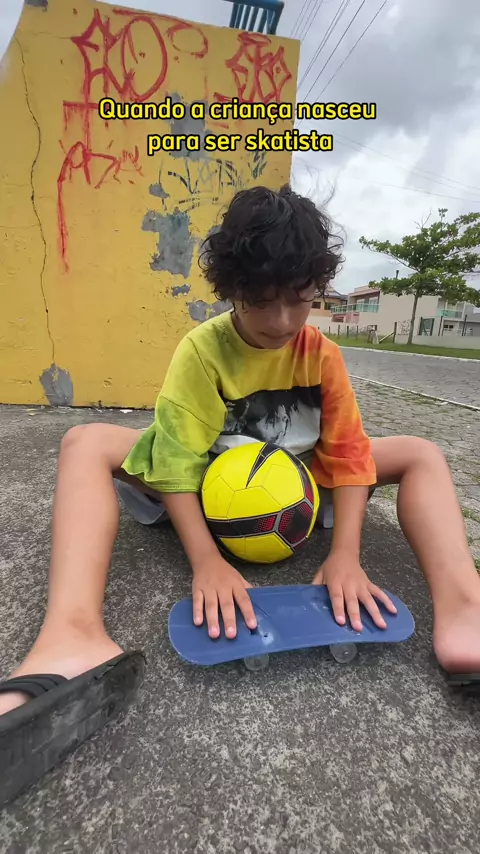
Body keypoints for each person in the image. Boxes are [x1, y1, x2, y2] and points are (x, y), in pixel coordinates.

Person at [1, 184, 480, 729]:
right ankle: (71, 634)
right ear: (231, 288)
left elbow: (349, 455)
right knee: (84, 441)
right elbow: (175, 462)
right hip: (209, 481)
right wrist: (207, 562)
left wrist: (346, 554)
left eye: (300, 300)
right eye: (261, 301)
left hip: (297, 484)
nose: (282, 321)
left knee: (421, 452)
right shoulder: (202, 350)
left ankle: (466, 610)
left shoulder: (322, 355)